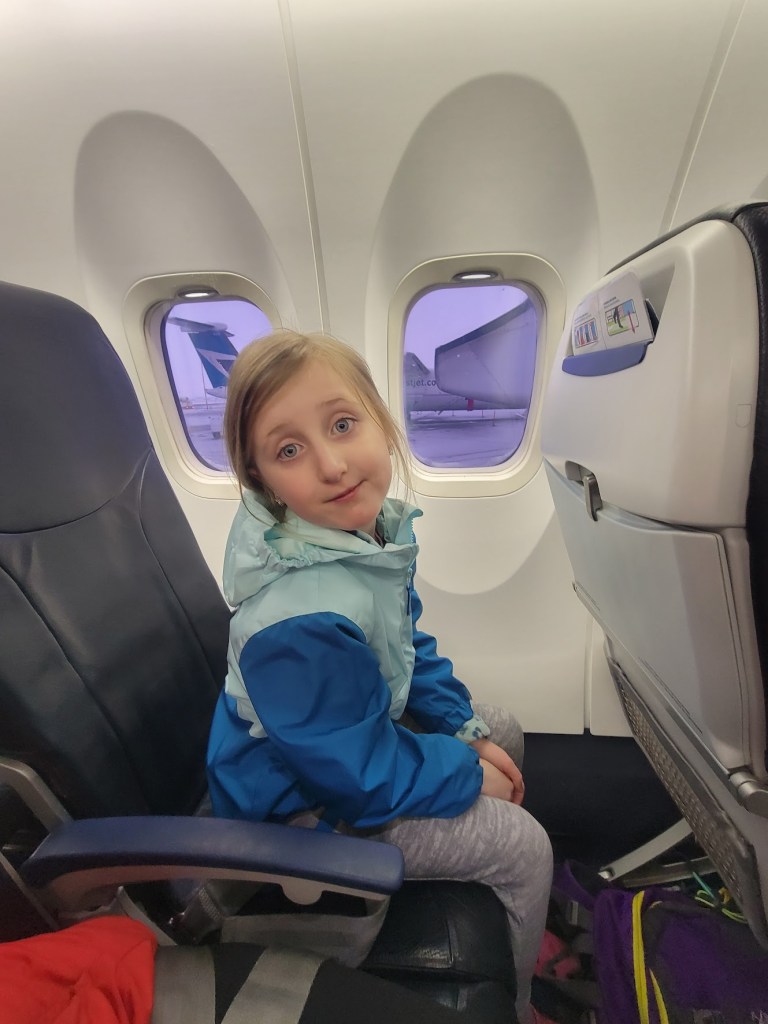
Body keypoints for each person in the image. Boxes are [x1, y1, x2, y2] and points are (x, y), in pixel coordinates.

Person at [206, 329, 553, 1023]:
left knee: (502, 727)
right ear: (262, 480)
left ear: (379, 420)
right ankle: (520, 1003)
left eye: (342, 424)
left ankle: (514, 913)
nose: (332, 465)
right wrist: (464, 772)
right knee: (523, 847)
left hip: (343, 753)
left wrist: (466, 732)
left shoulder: (360, 539)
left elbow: (406, 644)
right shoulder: (297, 622)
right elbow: (355, 780)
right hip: (300, 808)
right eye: (289, 450)